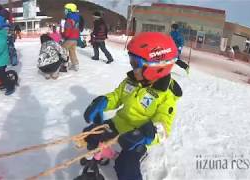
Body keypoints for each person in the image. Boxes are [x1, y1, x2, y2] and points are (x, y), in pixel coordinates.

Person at [82, 32, 182, 180]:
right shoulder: (132, 81)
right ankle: (103, 154)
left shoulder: (166, 95)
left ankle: (138, 155)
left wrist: (147, 134)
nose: (132, 67)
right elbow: (117, 96)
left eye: (136, 63)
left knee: (125, 166)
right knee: (90, 134)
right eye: (131, 61)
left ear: (157, 67)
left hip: (138, 135)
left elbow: (163, 126)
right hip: (118, 123)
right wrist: (103, 101)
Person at [61, 3, 80, 72]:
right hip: (75, 39)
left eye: (66, 9)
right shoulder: (76, 18)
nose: (64, 11)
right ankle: (75, 65)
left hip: (69, 38)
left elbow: (67, 31)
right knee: (72, 51)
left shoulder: (69, 20)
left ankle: (63, 65)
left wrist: (63, 34)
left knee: (62, 50)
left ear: (69, 10)